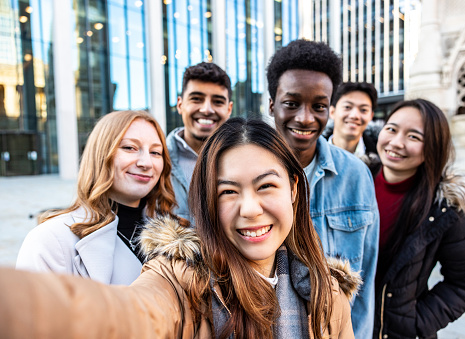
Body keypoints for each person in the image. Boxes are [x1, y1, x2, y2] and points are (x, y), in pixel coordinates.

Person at [0, 117, 361, 339]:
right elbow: (126, 313)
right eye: (228, 191)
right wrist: (23, 305)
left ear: (294, 190)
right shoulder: (180, 278)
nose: (250, 209)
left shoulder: (326, 293)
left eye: (266, 185)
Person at [267, 39, 379, 339]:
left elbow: (365, 283)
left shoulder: (356, 175)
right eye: (291, 103)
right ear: (271, 105)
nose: (305, 118)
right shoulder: (245, 172)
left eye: (318, 106)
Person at [16, 110, 185, 285]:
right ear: (101, 154)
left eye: (156, 152)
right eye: (129, 148)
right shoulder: (50, 240)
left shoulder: (179, 236)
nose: (146, 163)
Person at [373, 99, 465, 338]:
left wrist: (415, 323)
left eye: (414, 137)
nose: (396, 142)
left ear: (432, 148)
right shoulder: (352, 182)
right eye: (391, 129)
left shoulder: (444, 210)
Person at [167, 62, 233, 221]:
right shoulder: (156, 162)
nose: (207, 109)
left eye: (217, 101)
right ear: (180, 104)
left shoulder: (246, 159)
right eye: (196, 99)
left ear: (229, 109)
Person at [327, 82, 381, 177]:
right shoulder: (310, 152)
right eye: (347, 107)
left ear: (371, 116)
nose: (355, 115)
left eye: (363, 110)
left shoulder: (381, 159)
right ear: (332, 112)